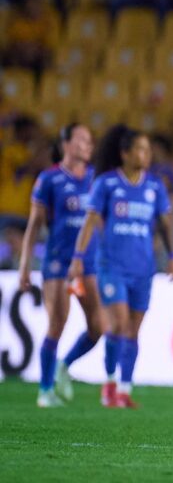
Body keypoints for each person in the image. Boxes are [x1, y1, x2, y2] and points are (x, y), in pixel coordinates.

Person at [69, 125, 173, 409]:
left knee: (133, 331)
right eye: (140, 149)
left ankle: (125, 389)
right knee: (117, 325)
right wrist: (78, 257)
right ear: (125, 154)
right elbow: (89, 222)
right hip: (112, 266)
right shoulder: (107, 184)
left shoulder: (155, 186)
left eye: (148, 150)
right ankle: (109, 384)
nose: (146, 155)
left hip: (143, 268)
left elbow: (166, 223)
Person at [18, 124, 103, 408]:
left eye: (90, 140)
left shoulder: (95, 179)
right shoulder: (49, 179)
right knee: (57, 323)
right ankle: (45, 391)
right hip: (58, 261)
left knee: (98, 327)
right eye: (81, 139)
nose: (87, 145)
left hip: (88, 262)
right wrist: (25, 265)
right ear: (65, 144)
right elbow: (34, 225)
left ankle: (64, 365)